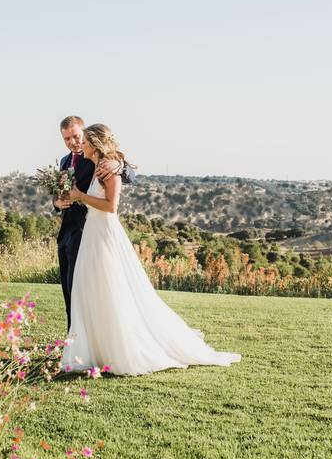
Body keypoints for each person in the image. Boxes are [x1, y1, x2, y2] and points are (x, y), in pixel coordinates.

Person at [61, 124, 241, 376]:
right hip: (92, 233)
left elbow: (111, 205)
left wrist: (81, 194)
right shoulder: (87, 165)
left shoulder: (109, 167)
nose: (80, 145)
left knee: (111, 289)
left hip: (104, 234)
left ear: (94, 143)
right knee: (88, 290)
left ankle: (121, 349)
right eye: (69, 138)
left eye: (83, 140)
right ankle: (94, 349)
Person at [54, 116, 135, 332]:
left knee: (79, 289)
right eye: (67, 139)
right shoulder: (63, 162)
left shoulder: (99, 158)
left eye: (76, 136)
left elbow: (128, 174)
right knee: (68, 290)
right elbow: (60, 193)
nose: (73, 142)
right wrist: (57, 202)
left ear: (84, 133)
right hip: (65, 232)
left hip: (87, 232)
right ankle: (73, 340)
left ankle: (80, 339)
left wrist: (119, 164)